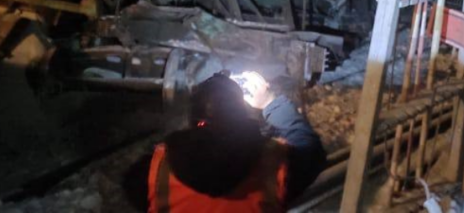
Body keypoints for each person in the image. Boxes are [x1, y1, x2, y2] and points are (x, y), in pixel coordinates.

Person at [128, 71, 326, 212]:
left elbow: (132, 190)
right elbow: (309, 146)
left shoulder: (155, 169)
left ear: (194, 119)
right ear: (241, 115)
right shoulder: (273, 163)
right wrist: (270, 102)